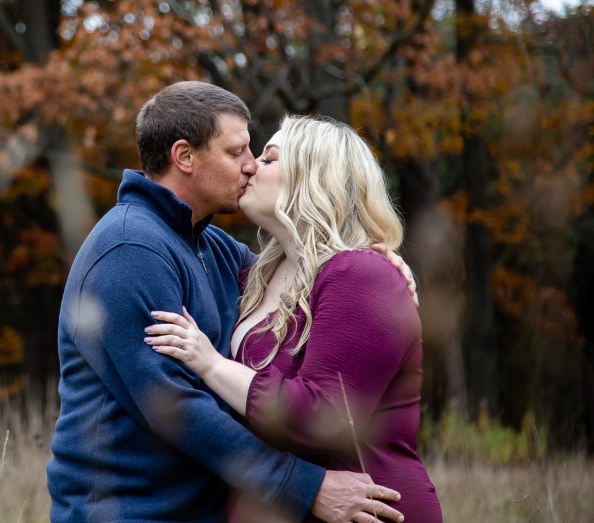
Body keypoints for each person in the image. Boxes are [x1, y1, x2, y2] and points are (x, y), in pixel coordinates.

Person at [47, 82, 409, 523]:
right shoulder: (129, 249)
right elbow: (176, 406)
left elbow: (306, 277)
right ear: (185, 157)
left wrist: (379, 262)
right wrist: (305, 486)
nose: (251, 164)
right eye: (236, 151)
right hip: (133, 512)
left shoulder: (212, 248)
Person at [145, 115, 442, 522]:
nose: (250, 166)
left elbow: (322, 417)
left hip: (367, 509)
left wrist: (211, 364)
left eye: (268, 159)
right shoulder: (253, 276)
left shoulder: (361, 275)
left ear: (313, 178)